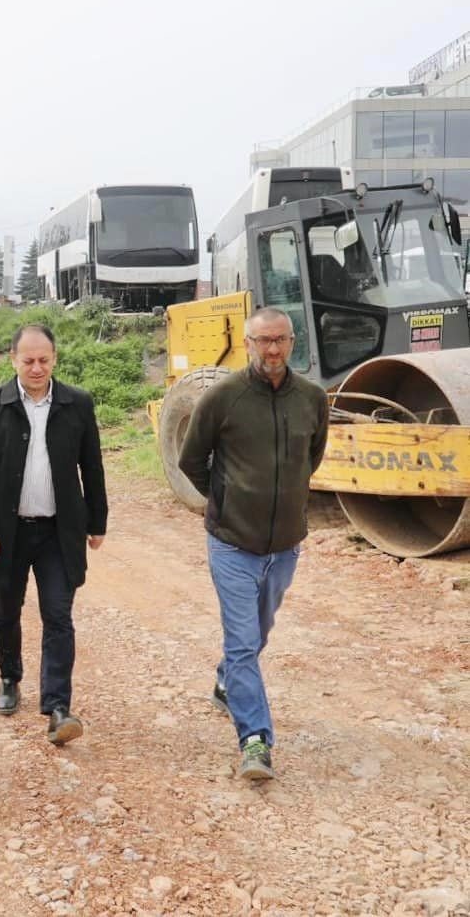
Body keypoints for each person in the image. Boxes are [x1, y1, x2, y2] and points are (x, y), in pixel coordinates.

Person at [178, 307, 328, 781]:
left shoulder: (311, 398)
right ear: (248, 343)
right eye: (263, 341)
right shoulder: (224, 397)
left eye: (281, 340)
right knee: (243, 643)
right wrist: (224, 500)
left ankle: (226, 682)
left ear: (292, 341)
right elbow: (190, 458)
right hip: (231, 544)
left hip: (285, 544)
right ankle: (255, 740)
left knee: (258, 634)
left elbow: (313, 455)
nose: (273, 349)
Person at [0, 324, 107, 746]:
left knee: (58, 614)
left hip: (59, 531)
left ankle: (58, 706)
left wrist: (97, 522)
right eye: (29, 361)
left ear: (55, 359)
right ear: (13, 360)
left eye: (44, 360)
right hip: (7, 532)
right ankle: (9, 676)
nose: (37, 367)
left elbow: (91, 467)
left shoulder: (77, 403)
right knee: (5, 610)